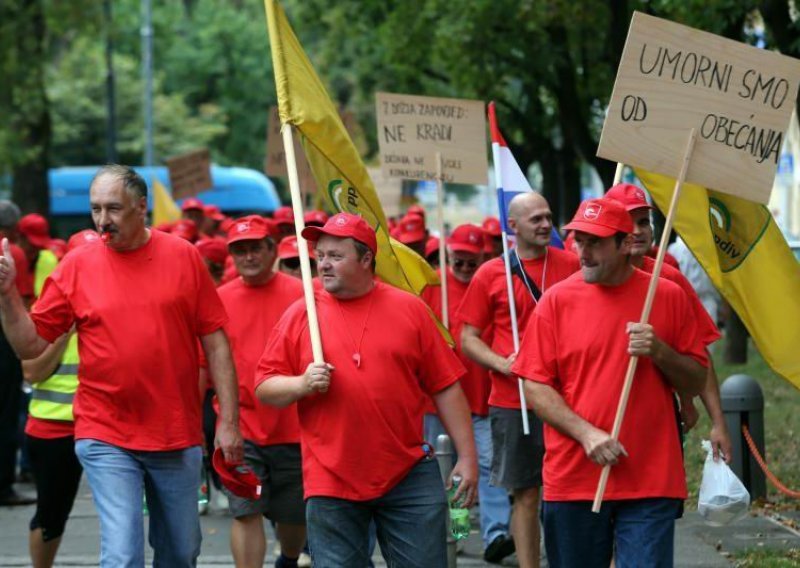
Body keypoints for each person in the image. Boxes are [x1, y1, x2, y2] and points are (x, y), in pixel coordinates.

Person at [0, 165, 243, 566]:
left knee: (181, 551)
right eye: (95, 208)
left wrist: (228, 423)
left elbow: (215, 343)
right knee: (122, 552)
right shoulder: (77, 264)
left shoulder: (183, 256)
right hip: (104, 431)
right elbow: (29, 345)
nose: (102, 220)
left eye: (113, 208)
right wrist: (8, 294)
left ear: (142, 207)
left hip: (174, 431)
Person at [255, 213, 478, 567]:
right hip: (331, 475)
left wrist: (467, 458)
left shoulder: (411, 309)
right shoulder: (303, 313)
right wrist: (301, 383)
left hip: (407, 470)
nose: (323, 264)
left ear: (366, 259)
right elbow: (265, 386)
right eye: (321, 255)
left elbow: (446, 386)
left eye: (335, 256)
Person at [512, 197, 708, 568]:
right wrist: (587, 434)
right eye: (578, 240)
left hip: (651, 478)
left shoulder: (666, 295)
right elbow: (534, 385)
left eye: (595, 242)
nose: (582, 252)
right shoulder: (556, 301)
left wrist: (660, 351)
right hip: (573, 479)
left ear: (624, 243)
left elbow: (697, 377)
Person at [459, 192, 579, 568]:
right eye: (536, 219)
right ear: (512, 226)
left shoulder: (573, 265)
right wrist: (503, 364)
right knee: (526, 493)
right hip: (514, 401)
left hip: (568, 396)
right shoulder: (490, 273)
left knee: (569, 492)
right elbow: (467, 338)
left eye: (548, 217)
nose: (545, 225)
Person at [605, 183, 732, 462]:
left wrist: (716, 421)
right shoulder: (583, 279)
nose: (638, 231)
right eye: (628, 222)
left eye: (643, 222)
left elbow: (697, 352)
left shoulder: (669, 278)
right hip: (598, 429)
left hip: (657, 423)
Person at [421, 224, 515, 564]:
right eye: (457, 261)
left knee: (487, 468)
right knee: (442, 472)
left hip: (481, 397)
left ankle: (495, 535)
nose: (462, 268)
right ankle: (454, 533)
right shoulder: (432, 285)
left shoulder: (491, 283)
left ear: (482, 257)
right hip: (436, 402)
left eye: (469, 262)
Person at [218, 215, 307, 568]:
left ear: (273, 249)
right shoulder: (218, 299)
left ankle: (287, 559)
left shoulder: (303, 295)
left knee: (293, 514)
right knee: (245, 511)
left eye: (256, 247)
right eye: (240, 250)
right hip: (242, 427)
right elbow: (203, 363)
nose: (249, 256)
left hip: (296, 426)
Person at [21, 229, 98, 568]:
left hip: (107, 426)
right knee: (52, 515)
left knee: (124, 514)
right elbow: (31, 372)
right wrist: (66, 330)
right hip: (54, 428)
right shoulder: (48, 307)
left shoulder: (118, 304)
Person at [0, 200, 34, 507]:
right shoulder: (11, 252)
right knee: (6, 413)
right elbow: (20, 301)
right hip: (4, 340)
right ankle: (3, 486)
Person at [17, 213, 59, 298]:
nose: (37, 249)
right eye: (33, 244)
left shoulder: (48, 260)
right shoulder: (7, 260)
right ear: (20, 238)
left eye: (40, 245)